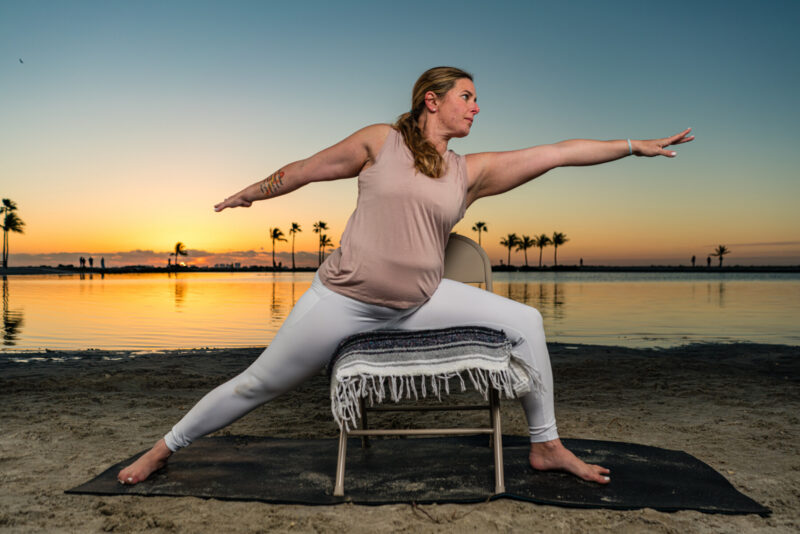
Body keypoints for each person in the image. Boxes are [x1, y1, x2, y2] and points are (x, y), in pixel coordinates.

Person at [118, 66, 693, 486]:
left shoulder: (470, 172)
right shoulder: (380, 142)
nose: (475, 108)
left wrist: (631, 147)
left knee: (527, 321)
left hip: (420, 301)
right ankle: (164, 447)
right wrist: (251, 193)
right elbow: (305, 170)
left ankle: (547, 446)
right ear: (431, 99)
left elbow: (557, 152)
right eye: (466, 97)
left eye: (476, 101)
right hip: (343, 299)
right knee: (257, 384)